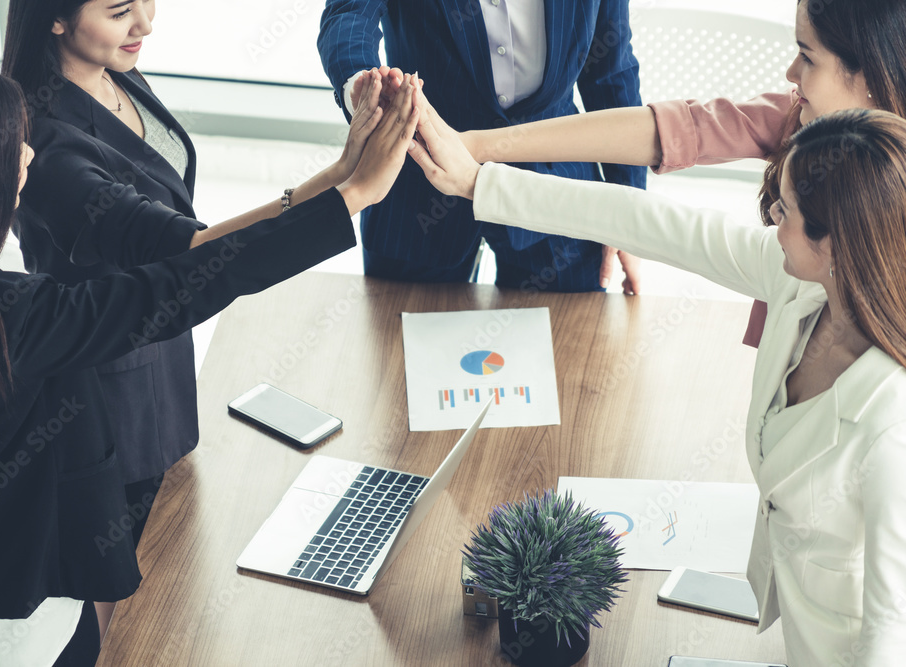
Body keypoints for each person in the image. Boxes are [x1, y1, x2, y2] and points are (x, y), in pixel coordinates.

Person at [0, 59, 418, 666]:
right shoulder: (13, 317)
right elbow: (184, 281)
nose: (27, 156)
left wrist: (340, 178)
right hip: (7, 614)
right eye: (11, 146)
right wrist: (353, 194)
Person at [410, 88, 906, 665]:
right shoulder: (800, 284)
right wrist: (480, 181)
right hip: (788, 631)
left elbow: (891, 622)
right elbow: (652, 222)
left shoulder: (891, 418)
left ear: (837, 244)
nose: (771, 224)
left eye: (785, 213)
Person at [0, 0, 389, 648]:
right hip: (103, 405)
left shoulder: (119, 77)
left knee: (171, 588)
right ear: (56, 18)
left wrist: (342, 170)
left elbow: (191, 237)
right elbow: (182, 248)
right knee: (123, 619)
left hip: (165, 373)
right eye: (121, 10)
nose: (146, 24)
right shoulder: (45, 142)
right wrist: (346, 194)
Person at [454, 0, 906, 346]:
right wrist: (478, 146)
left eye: (807, 57)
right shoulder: (796, 120)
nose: (790, 73)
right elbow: (668, 135)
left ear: (869, 69)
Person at [318, 0, 647, 293]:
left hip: (556, 191)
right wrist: (362, 88)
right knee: (402, 354)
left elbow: (609, 72)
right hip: (417, 194)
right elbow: (349, 12)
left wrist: (627, 214)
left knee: (568, 350)